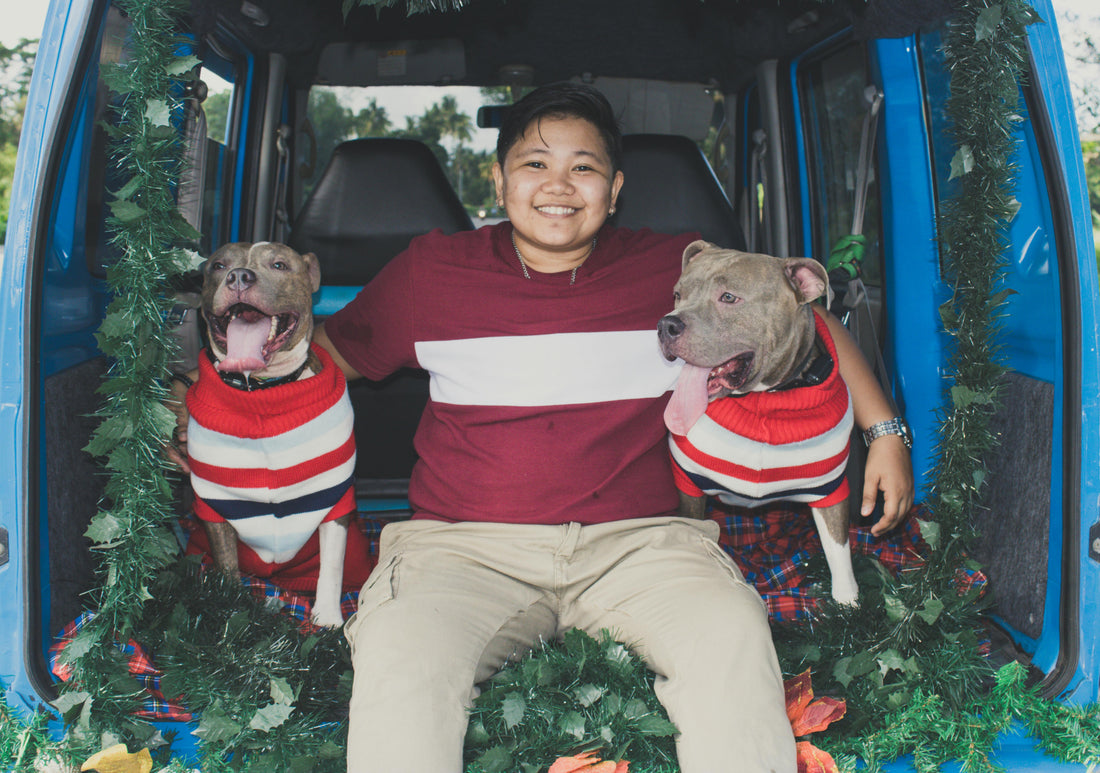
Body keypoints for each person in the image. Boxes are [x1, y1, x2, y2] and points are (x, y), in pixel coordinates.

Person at [171, 82, 913, 772]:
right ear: (499, 182)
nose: (558, 185)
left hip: (644, 545)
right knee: (402, 656)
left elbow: (800, 320)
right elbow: (307, 359)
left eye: (584, 167)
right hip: (461, 549)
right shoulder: (432, 272)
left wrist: (883, 432)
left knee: (732, 639)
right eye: (534, 163)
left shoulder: (680, 272)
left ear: (615, 190)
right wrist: (199, 407)